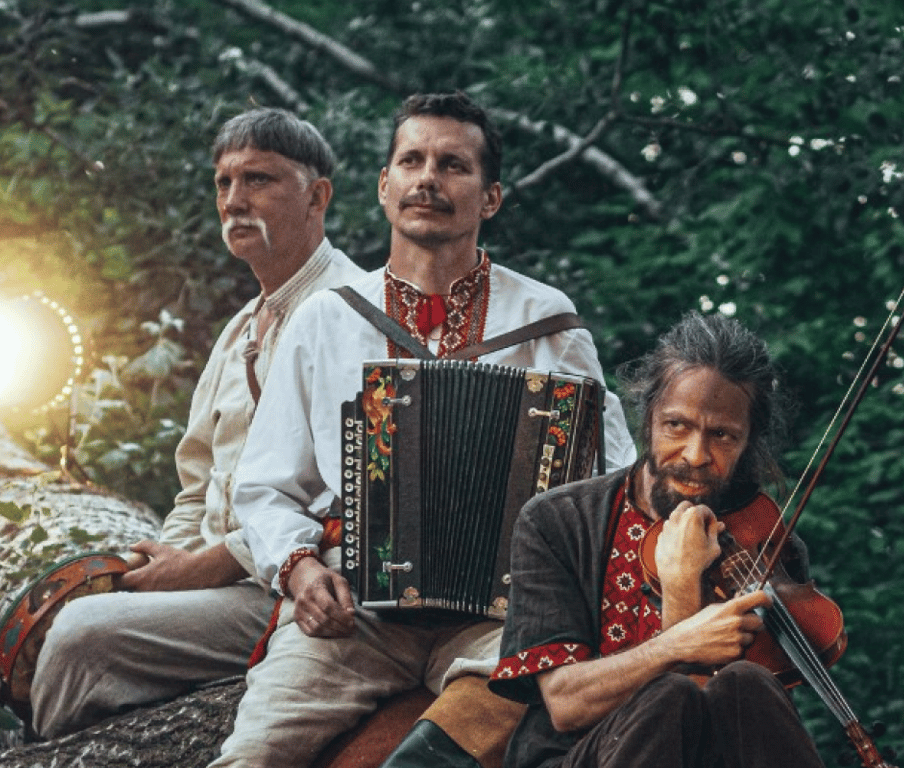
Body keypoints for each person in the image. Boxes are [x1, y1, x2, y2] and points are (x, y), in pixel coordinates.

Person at [210, 91, 637, 767]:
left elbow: (613, 480)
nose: (427, 179)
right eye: (411, 161)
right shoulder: (326, 319)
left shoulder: (546, 320)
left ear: (490, 198)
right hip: (355, 609)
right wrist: (300, 571)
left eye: (453, 165)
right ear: (385, 186)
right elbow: (266, 486)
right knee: (252, 757)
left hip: (503, 616)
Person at [27, 107, 364, 739]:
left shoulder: (354, 312)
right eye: (223, 182)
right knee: (71, 608)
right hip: (218, 588)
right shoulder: (239, 330)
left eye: (259, 179)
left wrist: (198, 571)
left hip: (296, 589)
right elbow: (197, 483)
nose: (235, 200)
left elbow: (340, 502)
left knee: (78, 636)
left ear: (317, 196)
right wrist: (162, 567)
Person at [489, 311, 827, 768]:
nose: (696, 454)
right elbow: (566, 705)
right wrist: (677, 640)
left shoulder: (767, 547)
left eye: (722, 435)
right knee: (669, 696)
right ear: (648, 417)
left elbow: (750, 729)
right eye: (677, 425)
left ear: (749, 442)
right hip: (576, 757)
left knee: (746, 683)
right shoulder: (557, 521)